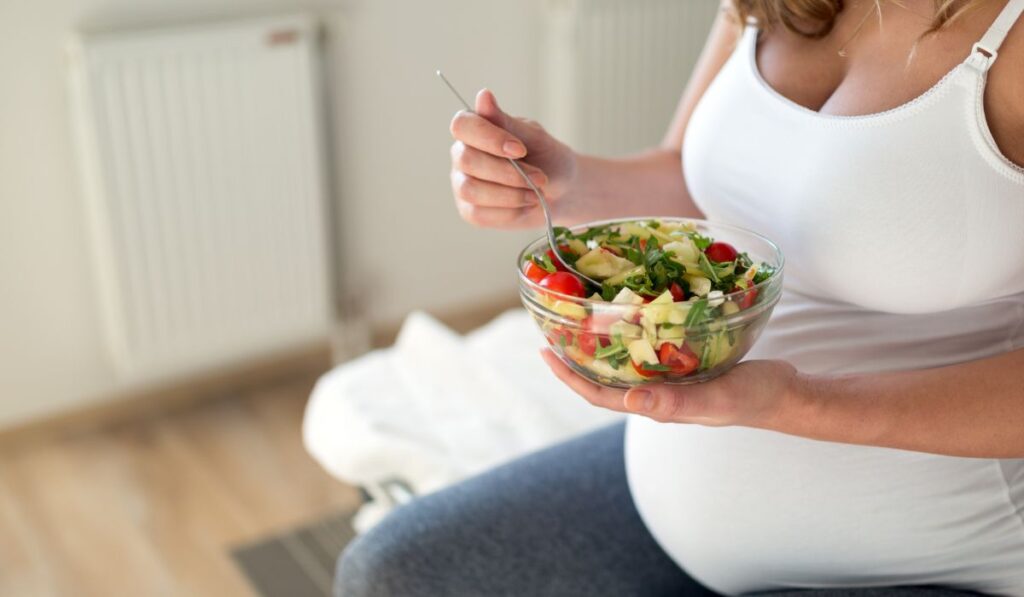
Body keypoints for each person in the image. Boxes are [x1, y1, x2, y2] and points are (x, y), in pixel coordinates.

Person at [337, 0, 1024, 594]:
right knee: (394, 571)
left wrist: (794, 401)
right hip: (674, 493)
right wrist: (567, 183)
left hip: (930, 555)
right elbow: (705, 186)